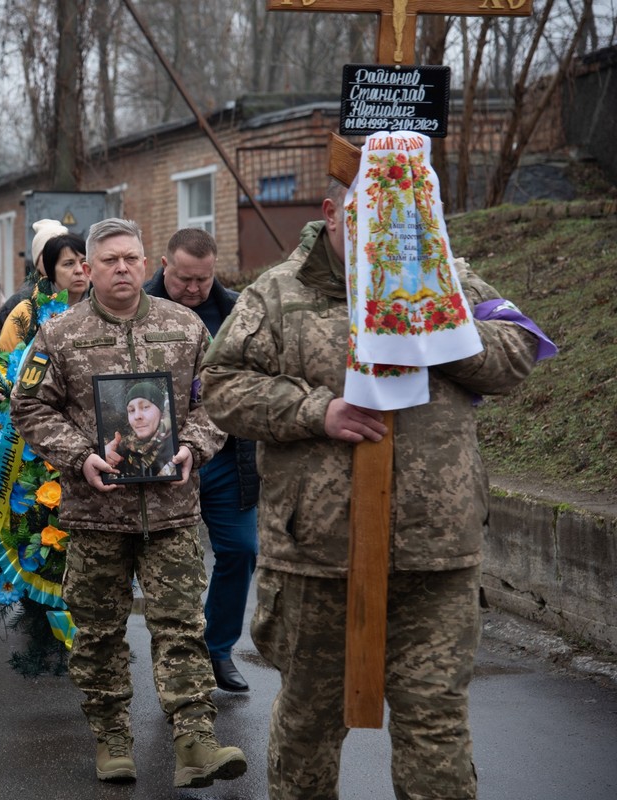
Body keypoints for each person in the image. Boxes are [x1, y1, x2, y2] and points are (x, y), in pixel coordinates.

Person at [200, 182, 544, 799]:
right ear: (331, 214)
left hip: (434, 554)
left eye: (407, 217)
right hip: (318, 555)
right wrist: (316, 411)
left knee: (435, 729)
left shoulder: (450, 280)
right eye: (372, 215)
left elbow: (515, 354)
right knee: (308, 725)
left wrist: (438, 323)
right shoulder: (280, 292)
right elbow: (221, 386)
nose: (390, 229)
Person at [9, 218, 247, 789]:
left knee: (181, 627)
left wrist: (193, 446)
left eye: (131, 259)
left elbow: (217, 397)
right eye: (110, 260)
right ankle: (112, 736)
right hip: (96, 514)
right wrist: (80, 457)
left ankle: (195, 742)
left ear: (147, 264)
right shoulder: (60, 335)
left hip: (171, 510)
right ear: (87, 269)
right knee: (98, 631)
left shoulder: (184, 325)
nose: (122, 268)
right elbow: (29, 407)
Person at [144, 227, 259, 694]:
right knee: (169, 565)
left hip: (228, 459)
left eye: (203, 281)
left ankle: (218, 649)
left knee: (241, 550)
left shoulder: (235, 311)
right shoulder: (137, 305)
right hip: (161, 459)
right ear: (164, 265)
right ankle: (175, 655)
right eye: (185, 279)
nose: (193, 290)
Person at [0, 231, 89, 352]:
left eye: (84, 262)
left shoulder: (104, 308)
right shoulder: (27, 312)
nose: (79, 270)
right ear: (50, 270)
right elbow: (1, 363)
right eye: (68, 264)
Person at [0, 218, 69, 346]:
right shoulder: (22, 300)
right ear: (37, 261)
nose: (54, 259)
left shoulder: (86, 293)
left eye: (62, 254)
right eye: (48, 253)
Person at [102, 381, 177, 479]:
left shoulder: (179, 445)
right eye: (131, 410)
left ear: (161, 412)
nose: (137, 416)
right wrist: (104, 456)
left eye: (145, 407)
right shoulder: (123, 447)